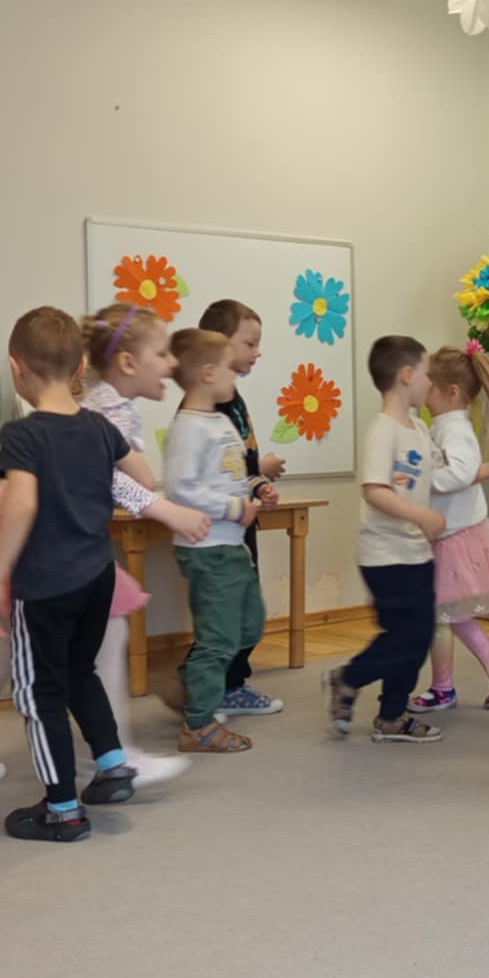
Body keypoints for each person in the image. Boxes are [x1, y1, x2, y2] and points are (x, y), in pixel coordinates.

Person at [0, 303, 208, 786]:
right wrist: (164, 507)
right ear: (125, 362)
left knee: (13, 641)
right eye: (162, 352)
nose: (172, 363)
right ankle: (108, 752)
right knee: (101, 632)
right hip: (34, 529)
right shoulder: (105, 412)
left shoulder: (102, 408)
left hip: (34, 526)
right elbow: (117, 480)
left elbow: (121, 476)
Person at [0, 307, 159, 842]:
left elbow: (22, 504)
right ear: (81, 366)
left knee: (40, 694)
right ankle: (112, 765)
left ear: (16, 367)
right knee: (81, 672)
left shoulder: (23, 434)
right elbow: (144, 480)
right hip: (96, 575)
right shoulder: (99, 427)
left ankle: (62, 810)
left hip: (46, 584)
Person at [162, 327, 281, 754]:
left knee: (250, 623)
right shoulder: (189, 427)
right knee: (219, 637)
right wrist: (233, 509)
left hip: (231, 546)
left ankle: (189, 684)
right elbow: (180, 489)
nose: (237, 376)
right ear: (209, 373)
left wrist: (255, 487)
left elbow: (230, 475)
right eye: (231, 368)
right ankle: (198, 724)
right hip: (208, 549)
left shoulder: (221, 421)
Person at [324, 335, 446, 744]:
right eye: (427, 374)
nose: (431, 383)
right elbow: (375, 490)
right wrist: (422, 516)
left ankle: (392, 715)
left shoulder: (419, 428)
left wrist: (483, 470)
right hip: (384, 554)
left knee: (419, 634)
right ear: (407, 375)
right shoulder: (383, 431)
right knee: (405, 635)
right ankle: (348, 678)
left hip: (416, 552)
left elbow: (439, 475)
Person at [408, 342, 489, 713]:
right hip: (453, 532)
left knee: (439, 614)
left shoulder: (454, 429)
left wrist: (422, 478)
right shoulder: (444, 427)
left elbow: (459, 473)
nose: (423, 392)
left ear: (452, 392)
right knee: (452, 613)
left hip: (454, 537)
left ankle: (444, 688)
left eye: (429, 386)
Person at [196, 298, 289, 716]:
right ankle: (207, 687)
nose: (258, 352)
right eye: (250, 343)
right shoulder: (206, 402)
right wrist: (258, 468)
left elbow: (236, 461)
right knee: (226, 611)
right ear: (219, 344)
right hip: (218, 525)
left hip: (240, 518)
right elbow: (214, 467)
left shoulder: (232, 397)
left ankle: (231, 683)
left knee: (247, 609)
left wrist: (258, 482)